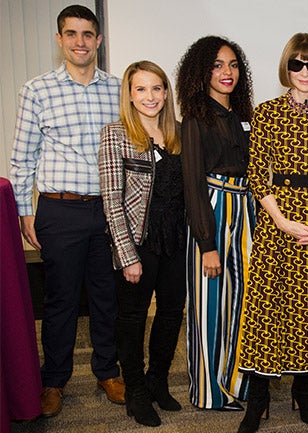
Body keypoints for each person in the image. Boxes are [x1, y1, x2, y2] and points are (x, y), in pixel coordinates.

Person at [9, 4, 124, 418]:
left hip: (109, 210)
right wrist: (25, 213)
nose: (80, 42)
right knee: (59, 300)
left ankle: (107, 371)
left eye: (88, 34)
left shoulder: (117, 89)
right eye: (72, 34)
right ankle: (53, 380)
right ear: (59, 40)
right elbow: (22, 158)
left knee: (105, 296)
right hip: (60, 211)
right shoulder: (36, 90)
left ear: (99, 40)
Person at [236, 33, 308, 433]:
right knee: (269, 311)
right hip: (278, 223)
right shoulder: (266, 113)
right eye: (297, 64)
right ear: (287, 67)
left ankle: (303, 391)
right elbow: (256, 174)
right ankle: (259, 399)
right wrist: (282, 221)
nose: (304, 73)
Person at [98, 61, 185, 427]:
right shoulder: (116, 134)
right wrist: (127, 254)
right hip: (138, 243)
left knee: (170, 314)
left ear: (166, 93)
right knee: (132, 318)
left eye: (157, 88)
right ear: (130, 95)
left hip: (176, 242)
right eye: (141, 89)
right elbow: (111, 200)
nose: (150, 96)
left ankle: (158, 381)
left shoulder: (179, 134)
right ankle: (134, 390)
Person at [176, 36, 255, 410]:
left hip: (247, 214)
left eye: (233, 65)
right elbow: (191, 182)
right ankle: (209, 392)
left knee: (242, 305)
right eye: (218, 65)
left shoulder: (245, 114)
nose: (227, 73)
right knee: (209, 308)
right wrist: (207, 243)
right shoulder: (196, 116)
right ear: (202, 71)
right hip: (212, 213)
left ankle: (236, 383)